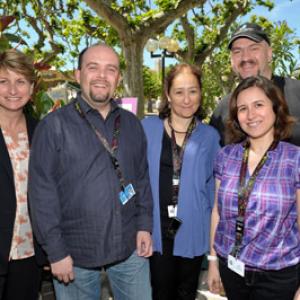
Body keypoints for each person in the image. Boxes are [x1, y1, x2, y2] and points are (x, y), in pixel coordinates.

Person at [28, 43, 153, 300]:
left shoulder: (131, 124)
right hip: (75, 256)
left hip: (129, 250)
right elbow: (41, 194)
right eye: (92, 67)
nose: (101, 76)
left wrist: (144, 226)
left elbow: (141, 178)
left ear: (118, 77)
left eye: (110, 69)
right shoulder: (52, 127)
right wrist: (56, 252)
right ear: (78, 74)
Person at [207, 75, 300, 300]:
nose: (251, 115)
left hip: (277, 275)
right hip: (232, 268)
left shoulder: (294, 159)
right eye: (243, 108)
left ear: (276, 109)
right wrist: (212, 261)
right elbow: (218, 213)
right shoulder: (226, 156)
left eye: (259, 105)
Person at [142, 63, 220, 300]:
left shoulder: (210, 136)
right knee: (160, 292)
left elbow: (214, 190)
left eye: (193, 91)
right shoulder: (147, 128)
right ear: (168, 94)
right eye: (179, 92)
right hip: (156, 230)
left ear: (200, 93)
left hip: (193, 228)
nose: (186, 99)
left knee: (186, 293)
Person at [0, 49, 45, 300]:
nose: (12, 90)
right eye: (3, 82)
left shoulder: (41, 132)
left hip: (29, 253)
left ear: (31, 87)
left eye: (20, 81)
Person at [210, 22, 300, 146]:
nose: (245, 57)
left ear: (269, 53)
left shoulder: (297, 92)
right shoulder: (222, 111)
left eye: (254, 48)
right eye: (237, 51)